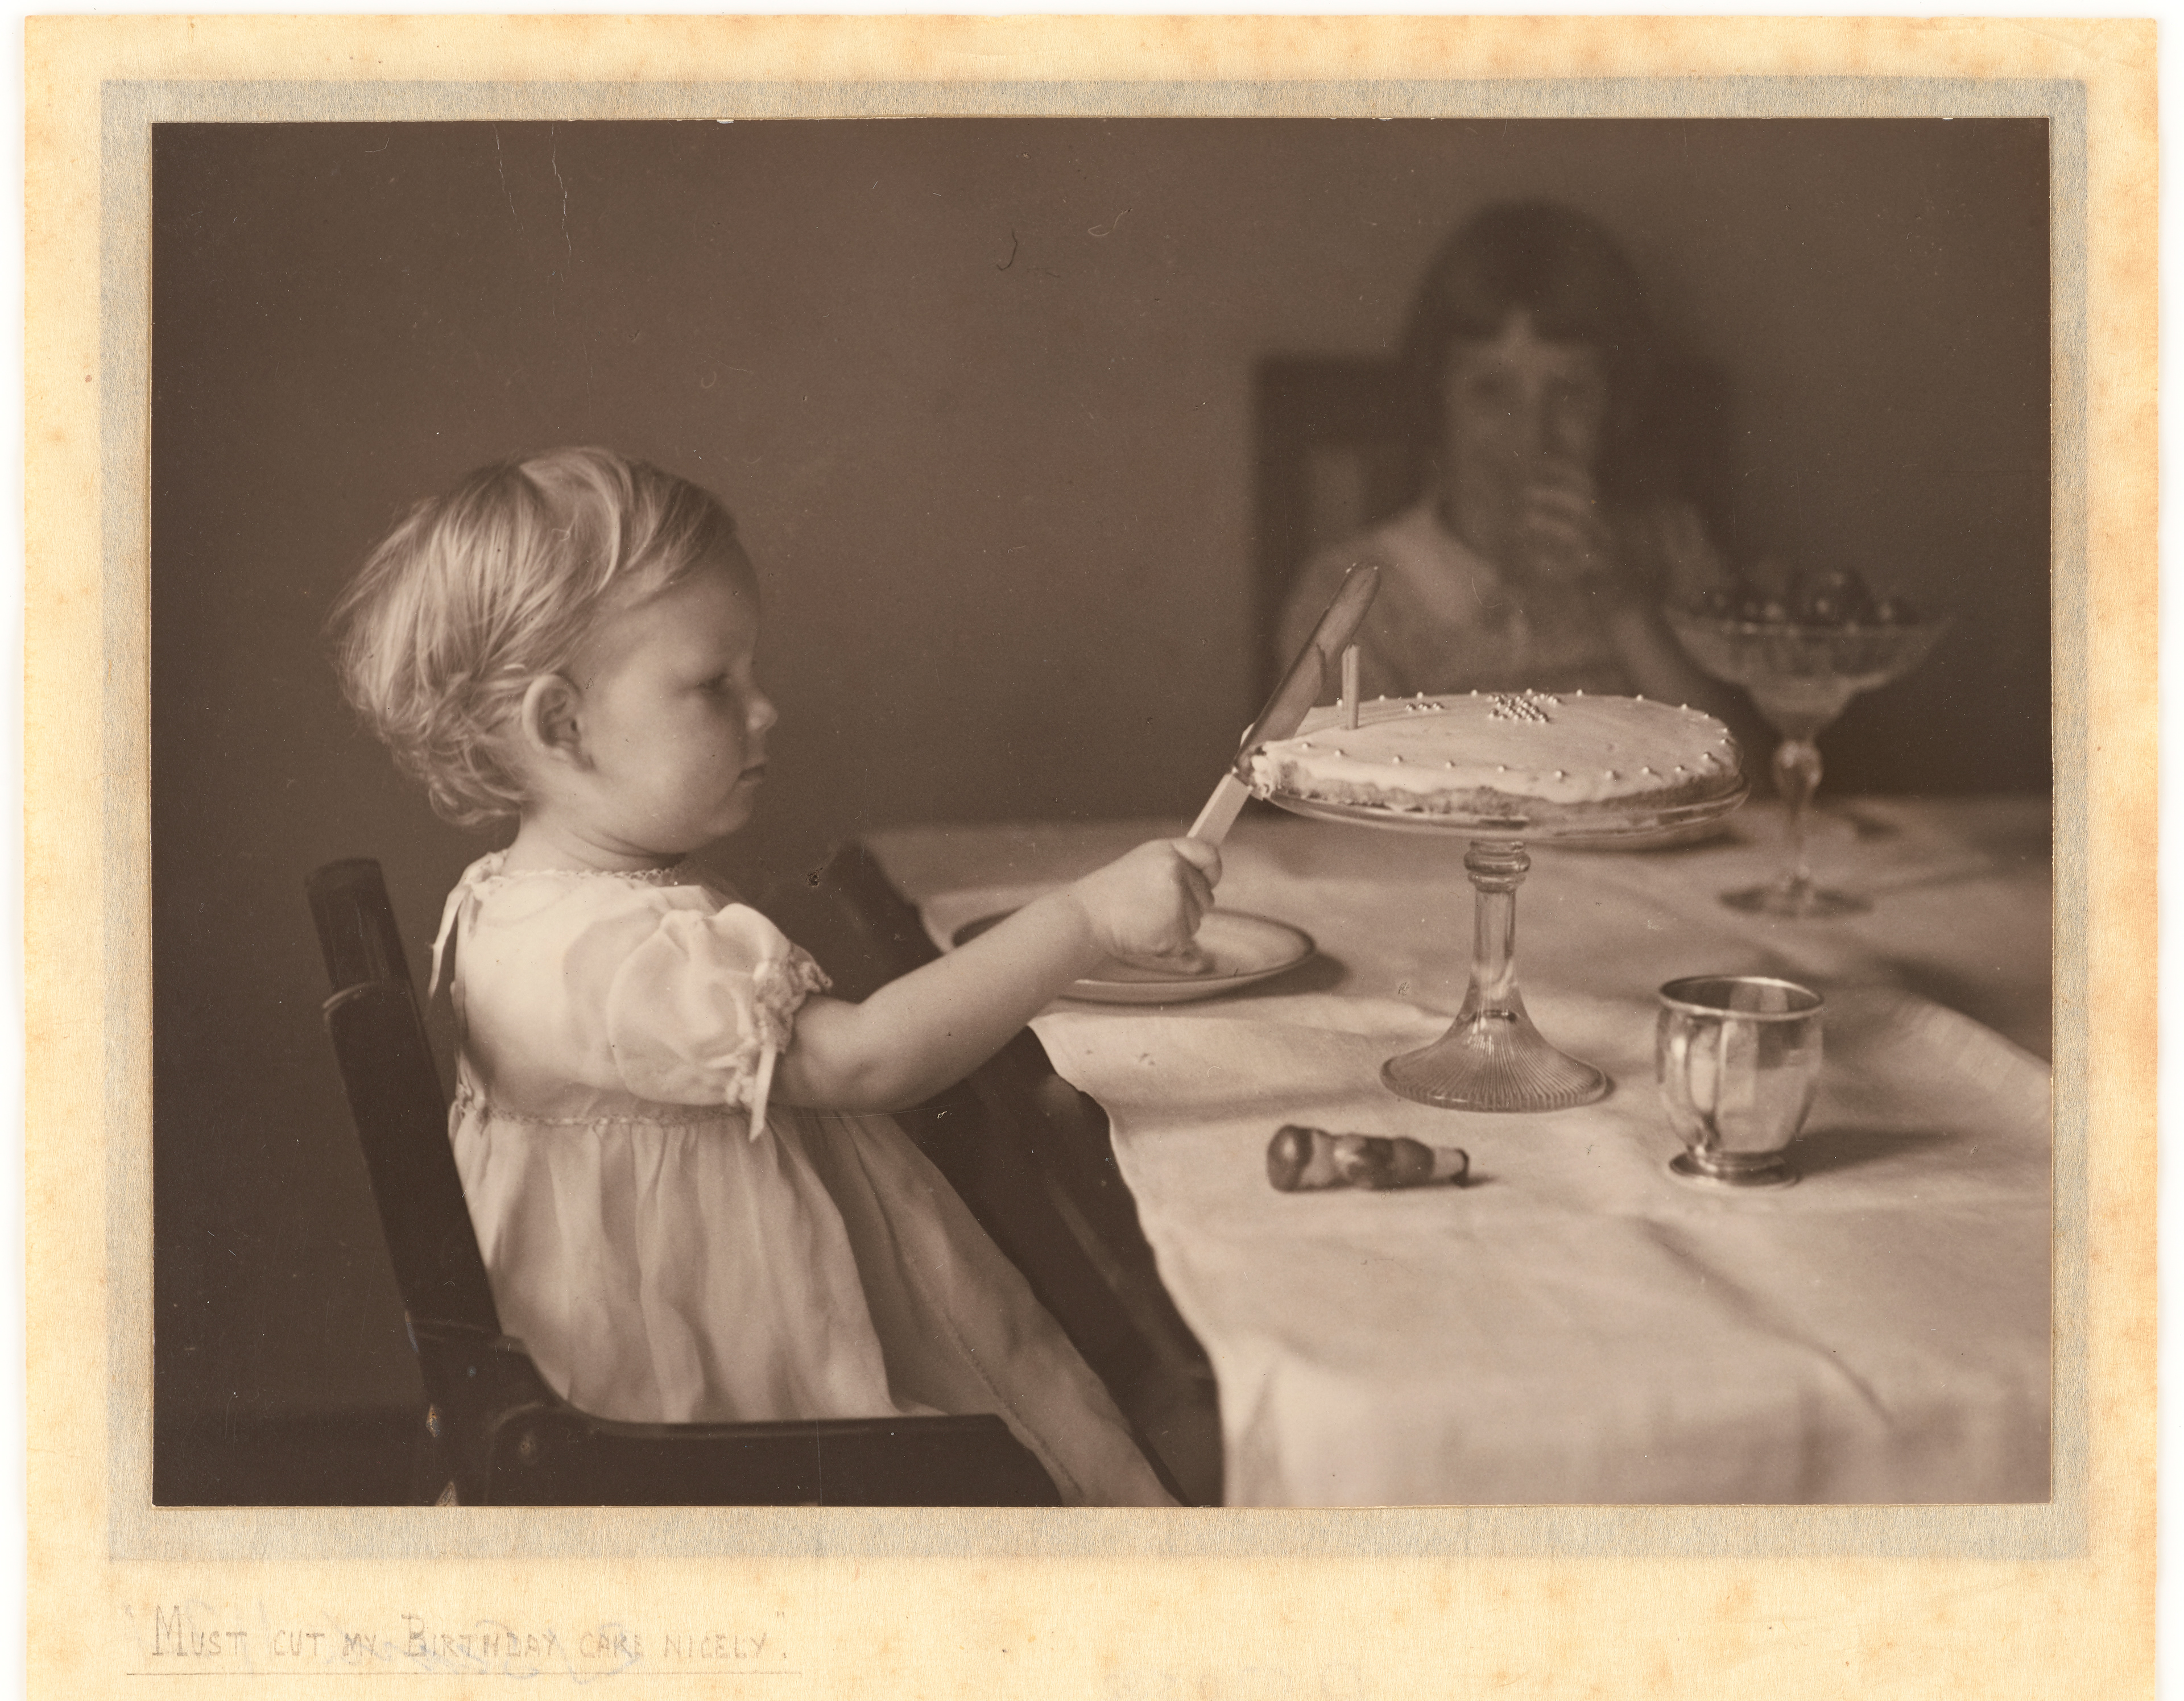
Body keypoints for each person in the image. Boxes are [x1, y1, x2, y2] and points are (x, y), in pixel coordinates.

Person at [330, 446, 1215, 1505]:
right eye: (716, 684)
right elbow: (869, 1060)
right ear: (562, 726)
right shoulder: (611, 955)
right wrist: (1086, 919)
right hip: (704, 1407)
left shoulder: (532, 903)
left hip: (711, 1347)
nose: (765, 710)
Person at [1277, 201, 1738, 716]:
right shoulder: (1356, 598)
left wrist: (1625, 609)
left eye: (1570, 392)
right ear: (1436, 398)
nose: (1532, 435)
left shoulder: (1674, 548)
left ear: (1616, 405)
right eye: (1491, 392)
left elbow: (1747, 762)